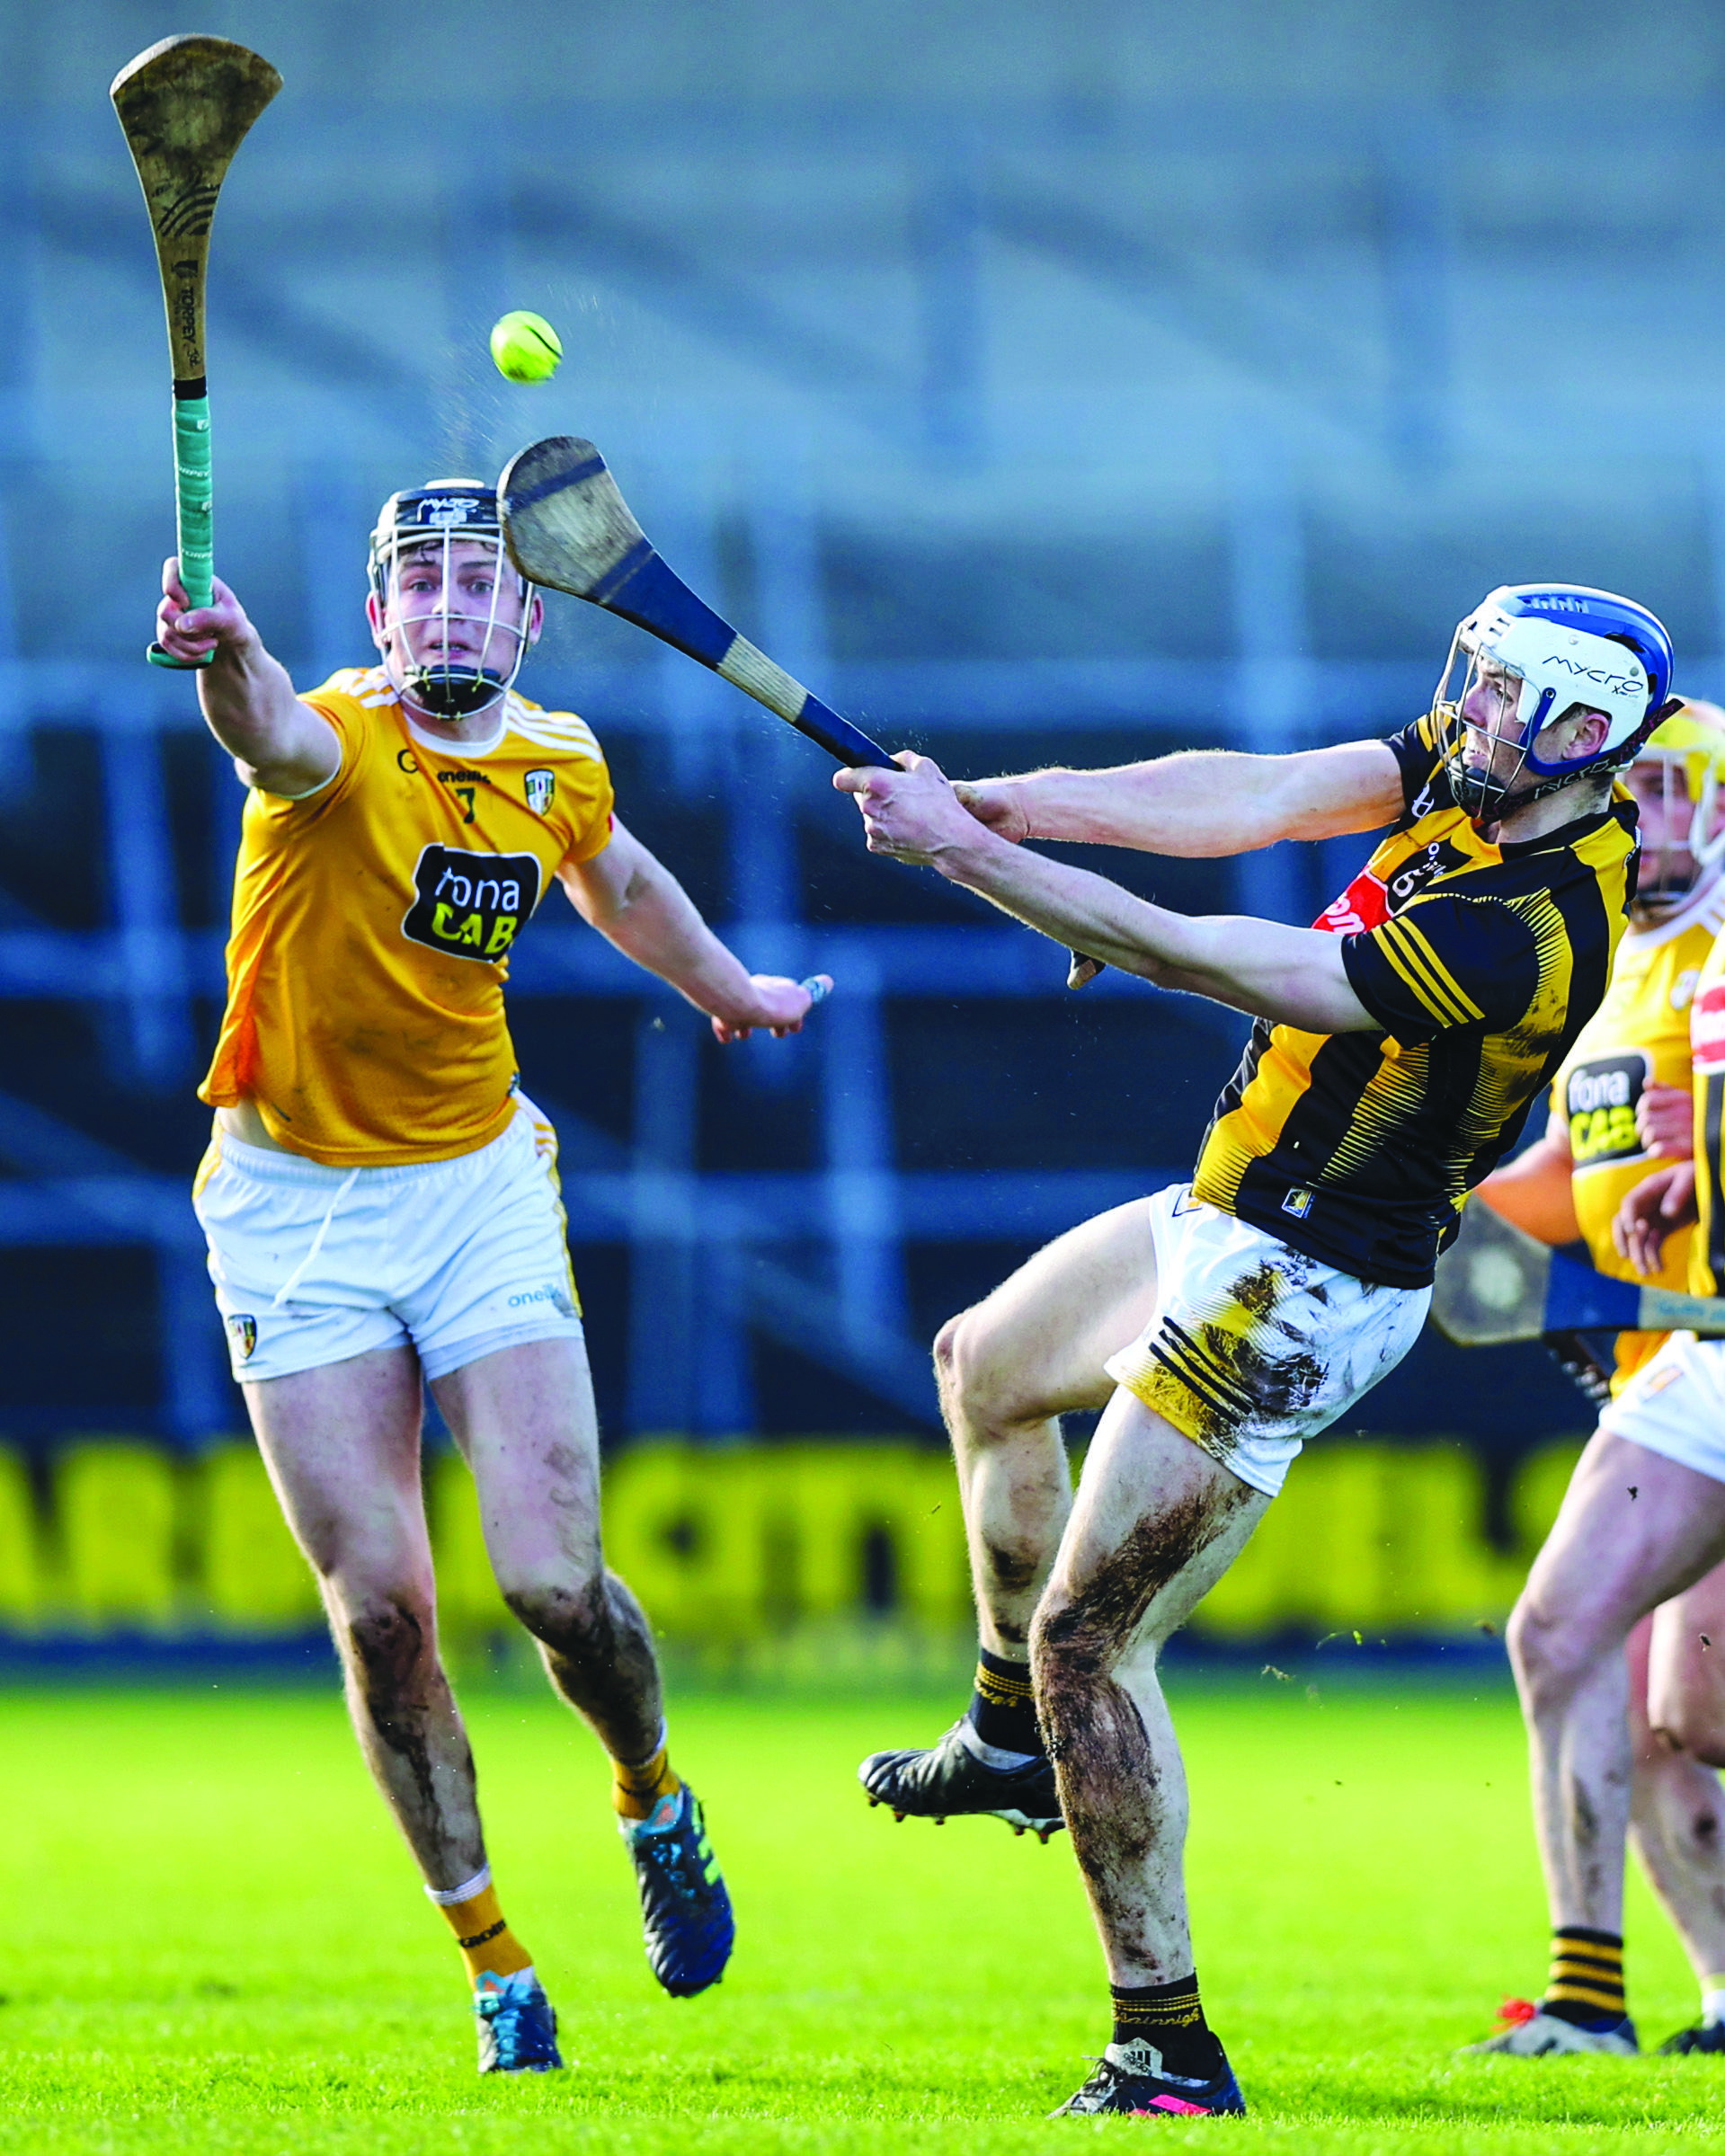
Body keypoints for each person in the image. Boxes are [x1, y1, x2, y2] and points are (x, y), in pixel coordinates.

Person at [837, 584, 1670, 2118]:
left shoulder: (1528, 929)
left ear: (1579, 738)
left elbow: (1233, 965)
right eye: (1470, 684)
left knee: (1092, 1635)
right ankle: (1005, 1735)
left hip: (1302, 1282)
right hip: (1222, 1208)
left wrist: (974, 857)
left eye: (1502, 698)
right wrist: (1018, 803)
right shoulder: (1480, 778)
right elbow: (1256, 793)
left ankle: (1164, 2044)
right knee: (984, 1365)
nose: (1466, 712)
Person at [156, 479, 826, 2073]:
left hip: (475, 1192)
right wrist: (225, 649)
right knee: (383, 1609)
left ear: (526, 619)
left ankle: (652, 1796)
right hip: (289, 1209)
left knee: (549, 1584)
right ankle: (496, 1961)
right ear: (377, 619)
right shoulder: (330, 740)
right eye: (421, 587)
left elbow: (621, 880)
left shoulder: (559, 759)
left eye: (480, 586)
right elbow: (264, 735)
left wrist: (727, 988)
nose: (450, 609)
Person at [1463, 702, 1725, 2059]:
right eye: (1636, 794)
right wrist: (1442, 1213)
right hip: (1691, 1358)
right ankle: (1589, 1999)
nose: (1652, 822)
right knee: (1563, 1641)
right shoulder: (1618, 968)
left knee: (1692, 1709)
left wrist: (1714, 1160)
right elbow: (1578, 1167)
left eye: (1680, 792)